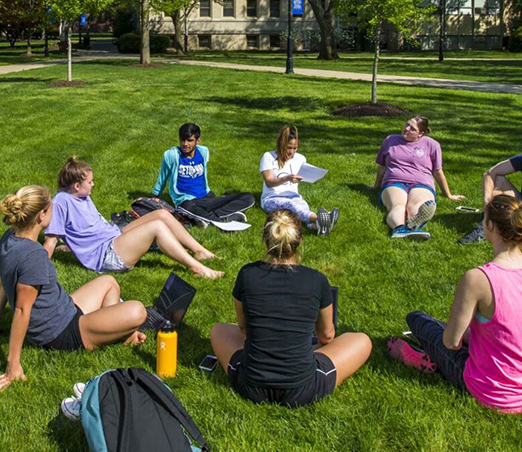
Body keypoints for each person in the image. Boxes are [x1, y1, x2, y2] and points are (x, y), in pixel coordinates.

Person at [391, 195, 522, 414]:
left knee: (417, 320)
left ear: (490, 225)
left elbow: (452, 343)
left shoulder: (477, 279)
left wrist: (465, 336)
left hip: (494, 392)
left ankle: (420, 356)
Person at [0, 185, 149, 391]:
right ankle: (115, 332)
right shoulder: (33, 256)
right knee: (138, 310)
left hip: (64, 308)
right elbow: (22, 310)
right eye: (51, 207)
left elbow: (4, 284)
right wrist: (13, 364)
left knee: (108, 282)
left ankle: (117, 332)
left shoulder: (8, 239)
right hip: (59, 333)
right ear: (41, 215)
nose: (55, 210)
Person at [209, 210, 372, 407]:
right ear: (300, 242)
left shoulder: (247, 274)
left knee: (219, 330)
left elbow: (242, 328)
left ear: (265, 240)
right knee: (362, 340)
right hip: (303, 389)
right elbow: (327, 337)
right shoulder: (316, 280)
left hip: (250, 385)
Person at [45, 157, 224, 279]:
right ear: (76, 186)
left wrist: (72, 247)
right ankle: (197, 268)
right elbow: (51, 240)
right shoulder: (61, 203)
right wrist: (39, 269)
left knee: (161, 214)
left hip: (114, 236)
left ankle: (201, 252)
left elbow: (81, 228)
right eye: (90, 182)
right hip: (107, 255)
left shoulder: (81, 196)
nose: (93, 184)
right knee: (156, 227)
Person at [375, 116, 466, 240]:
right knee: (398, 205)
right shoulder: (390, 140)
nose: (406, 129)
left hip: (422, 183)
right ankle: (399, 229)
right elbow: (382, 167)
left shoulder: (432, 145)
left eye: (412, 128)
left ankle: (414, 223)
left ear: (420, 133)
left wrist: (448, 195)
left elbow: (438, 172)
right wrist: (376, 186)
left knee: (417, 205)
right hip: (394, 182)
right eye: (407, 124)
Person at [152, 122, 256, 223]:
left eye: (189, 140)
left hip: (207, 197)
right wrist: (155, 196)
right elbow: (163, 177)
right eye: (182, 140)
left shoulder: (203, 152)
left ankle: (210, 218)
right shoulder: (171, 155)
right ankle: (221, 218)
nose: (185, 144)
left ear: (198, 141)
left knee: (248, 198)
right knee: (186, 207)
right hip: (187, 200)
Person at [260, 125, 337, 235]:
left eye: (295, 148)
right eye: (289, 147)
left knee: (302, 207)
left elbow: (305, 171)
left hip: (294, 196)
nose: (292, 152)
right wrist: (287, 178)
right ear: (281, 145)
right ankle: (323, 219)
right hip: (271, 199)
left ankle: (318, 227)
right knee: (291, 205)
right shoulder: (268, 157)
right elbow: (269, 182)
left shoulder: (300, 158)